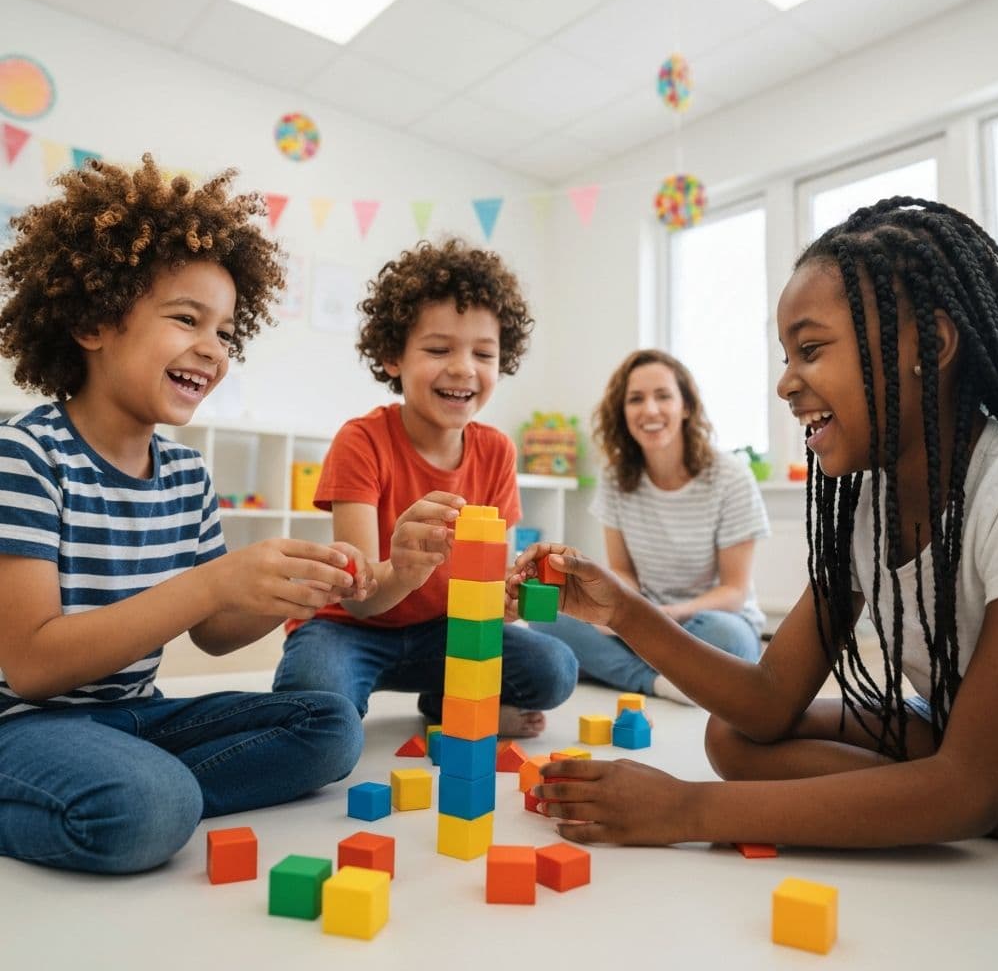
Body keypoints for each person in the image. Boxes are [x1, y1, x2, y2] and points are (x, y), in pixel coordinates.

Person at [517, 197, 998, 849]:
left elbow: (965, 780)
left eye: (810, 350)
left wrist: (689, 811)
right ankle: (959, 798)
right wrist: (622, 611)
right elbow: (767, 701)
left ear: (931, 345)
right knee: (731, 735)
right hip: (952, 729)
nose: (786, 384)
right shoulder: (868, 504)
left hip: (974, 750)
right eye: (786, 356)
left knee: (962, 789)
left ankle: (966, 800)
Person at [0, 155, 369, 874]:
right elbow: (33, 665)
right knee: (150, 805)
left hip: (132, 717)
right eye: (186, 319)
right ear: (94, 321)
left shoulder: (188, 473)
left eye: (227, 331)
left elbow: (218, 636)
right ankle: (136, 802)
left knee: (330, 726)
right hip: (22, 725)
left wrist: (294, 589)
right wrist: (211, 583)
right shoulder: (23, 456)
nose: (213, 349)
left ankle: (130, 798)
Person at [273, 239, 577, 739]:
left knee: (555, 667)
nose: (463, 368)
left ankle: (444, 701)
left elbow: (492, 581)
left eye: (484, 353)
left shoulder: (497, 451)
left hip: (445, 633)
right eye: (438, 349)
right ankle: (390, 695)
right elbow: (358, 597)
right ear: (394, 356)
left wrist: (512, 593)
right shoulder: (361, 440)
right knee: (316, 704)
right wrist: (403, 569)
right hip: (351, 630)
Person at [531, 350, 767, 704]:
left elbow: (733, 592)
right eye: (636, 399)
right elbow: (623, 573)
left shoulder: (730, 475)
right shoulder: (615, 477)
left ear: (686, 406)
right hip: (643, 620)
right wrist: (613, 611)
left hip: (710, 621)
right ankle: (659, 681)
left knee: (728, 640)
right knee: (545, 618)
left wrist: (668, 616)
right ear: (622, 412)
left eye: (663, 396)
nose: (650, 410)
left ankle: (624, 668)